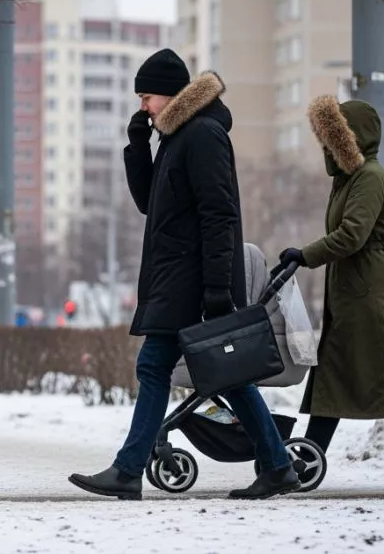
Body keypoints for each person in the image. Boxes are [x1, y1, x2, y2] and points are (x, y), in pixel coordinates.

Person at [68, 49, 300, 501]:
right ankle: (276, 465)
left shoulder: (204, 135)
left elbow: (220, 216)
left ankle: (129, 469)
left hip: (195, 280)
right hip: (178, 276)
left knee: (156, 365)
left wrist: (217, 289)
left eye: (147, 97)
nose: (143, 107)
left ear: (172, 95)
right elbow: (148, 202)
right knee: (223, 372)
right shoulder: (177, 137)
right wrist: (139, 147)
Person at [279, 94, 384, 490]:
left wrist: (304, 255)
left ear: (349, 139)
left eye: (331, 137)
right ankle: (308, 463)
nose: (324, 145)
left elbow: (352, 235)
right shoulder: (347, 181)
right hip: (357, 290)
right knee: (335, 372)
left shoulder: (370, 177)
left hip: (375, 292)